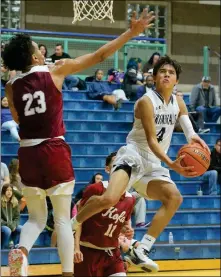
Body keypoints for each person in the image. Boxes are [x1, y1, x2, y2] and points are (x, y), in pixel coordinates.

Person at [2, 8, 155, 277]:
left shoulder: (12, 85)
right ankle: (67, 272)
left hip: (27, 152)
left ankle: (22, 252)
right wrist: (131, 32)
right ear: (36, 56)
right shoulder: (55, 70)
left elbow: (16, 116)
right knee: (62, 217)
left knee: (37, 218)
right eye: (39, 48)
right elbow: (100, 56)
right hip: (53, 149)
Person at [72, 55, 210, 272]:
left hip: (154, 165)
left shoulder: (178, 102)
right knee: (108, 198)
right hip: (134, 156)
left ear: (176, 80)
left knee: (174, 198)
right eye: (162, 71)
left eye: (171, 73)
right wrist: (172, 165)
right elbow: (151, 141)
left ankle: (141, 249)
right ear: (154, 77)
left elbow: (188, 131)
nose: (166, 74)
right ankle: (74, 222)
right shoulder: (146, 101)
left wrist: (195, 139)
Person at [73, 153, 136, 277]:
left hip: (112, 254)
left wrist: (127, 230)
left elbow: (121, 225)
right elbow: (78, 220)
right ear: (108, 169)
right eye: (117, 163)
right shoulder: (95, 189)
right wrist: (76, 248)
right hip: (88, 251)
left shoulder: (130, 199)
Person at [1, 184, 22, 249]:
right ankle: (2, 247)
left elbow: (17, 217)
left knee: (22, 229)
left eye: (11, 190)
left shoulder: (15, 202)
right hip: (2, 224)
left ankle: (15, 246)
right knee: (7, 230)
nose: (9, 192)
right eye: (7, 190)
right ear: (4, 191)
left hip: (12, 224)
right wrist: (10, 225)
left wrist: (14, 225)